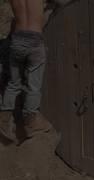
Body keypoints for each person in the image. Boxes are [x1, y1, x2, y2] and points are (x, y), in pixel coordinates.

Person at [0, 0, 52, 143]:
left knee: (13, 83)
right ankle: (31, 122)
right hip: (35, 40)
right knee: (33, 86)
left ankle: (3, 120)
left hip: (16, 40)